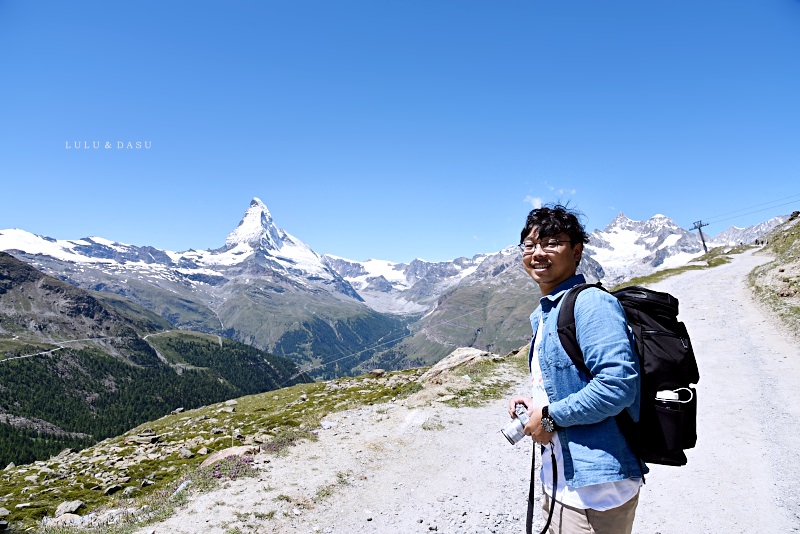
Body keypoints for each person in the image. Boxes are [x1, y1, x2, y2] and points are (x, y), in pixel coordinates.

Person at [507, 204, 647, 534]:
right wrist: (536, 403)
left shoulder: (591, 303)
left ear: (577, 250)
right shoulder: (546, 312)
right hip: (561, 481)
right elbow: (570, 381)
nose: (538, 252)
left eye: (551, 242)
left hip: (595, 494)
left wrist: (552, 416)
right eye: (530, 244)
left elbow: (617, 385)